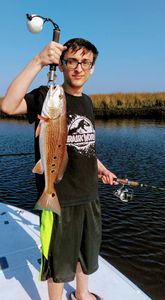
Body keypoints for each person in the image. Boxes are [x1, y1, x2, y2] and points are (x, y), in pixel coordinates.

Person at [1, 38, 117, 300]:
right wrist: (38, 60)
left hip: (89, 195)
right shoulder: (47, 96)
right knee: (58, 261)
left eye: (85, 62)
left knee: (85, 253)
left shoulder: (87, 102)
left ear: (92, 68)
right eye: (72, 61)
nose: (78, 67)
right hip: (58, 198)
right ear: (62, 65)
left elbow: (85, 146)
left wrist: (101, 168)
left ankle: (82, 293)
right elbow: (7, 105)